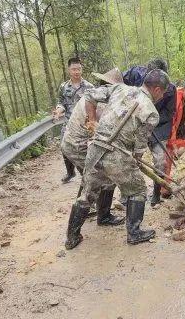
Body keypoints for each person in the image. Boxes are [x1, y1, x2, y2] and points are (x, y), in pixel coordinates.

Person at [65, 69, 170, 250]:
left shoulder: (119, 88)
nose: (162, 97)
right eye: (164, 93)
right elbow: (140, 144)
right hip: (118, 154)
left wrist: (92, 122)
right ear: (158, 90)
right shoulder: (152, 113)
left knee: (87, 194)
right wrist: (135, 159)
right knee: (137, 190)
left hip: (95, 149)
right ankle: (134, 233)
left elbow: (89, 95)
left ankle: (72, 237)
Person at [59, 68, 123, 222]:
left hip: (71, 144)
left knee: (89, 177)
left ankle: (90, 211)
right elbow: (104, 135)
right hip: (77, 146)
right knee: (106, 177)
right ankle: (103, 216)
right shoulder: (100, 103)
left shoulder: (93, 95)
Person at [122, 58, 176, 206]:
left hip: (158, 126)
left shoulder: (170, 89)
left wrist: (152, 121)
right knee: (125, 157)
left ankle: (156, 194)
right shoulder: (135, 74)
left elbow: (169, 113)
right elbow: (116, 79)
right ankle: (125, 194)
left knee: (160, 160)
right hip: (135, 121)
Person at [52, 57, 94, 183]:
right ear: (69, 70)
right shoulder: (64, 87)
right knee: (64, 147)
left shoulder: (89, 87)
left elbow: (95, 104)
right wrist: (59, 110)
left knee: (84, 149)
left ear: (82, 70)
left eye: (79, 69)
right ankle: (70, 172)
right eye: (74, 69)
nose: (76, 72)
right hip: (69, 123)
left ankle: (86, 174)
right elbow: (61, 103)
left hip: (85, 125)